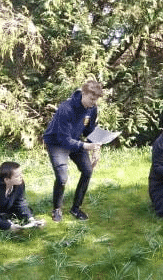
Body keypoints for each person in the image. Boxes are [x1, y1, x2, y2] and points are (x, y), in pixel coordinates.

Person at [43, 80, 103, 222]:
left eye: (96, 100)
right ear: (83, 93)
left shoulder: (92, 109)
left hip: (75, 140)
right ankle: (57, 209)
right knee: (62, 178)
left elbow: (89, 130)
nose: (93, 103)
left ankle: (76, 208)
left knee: (88, 170)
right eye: (91, 99)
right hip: (57, 143)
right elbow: (64, 140)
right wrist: (86, 146)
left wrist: (95, 149)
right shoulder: (66, 108)